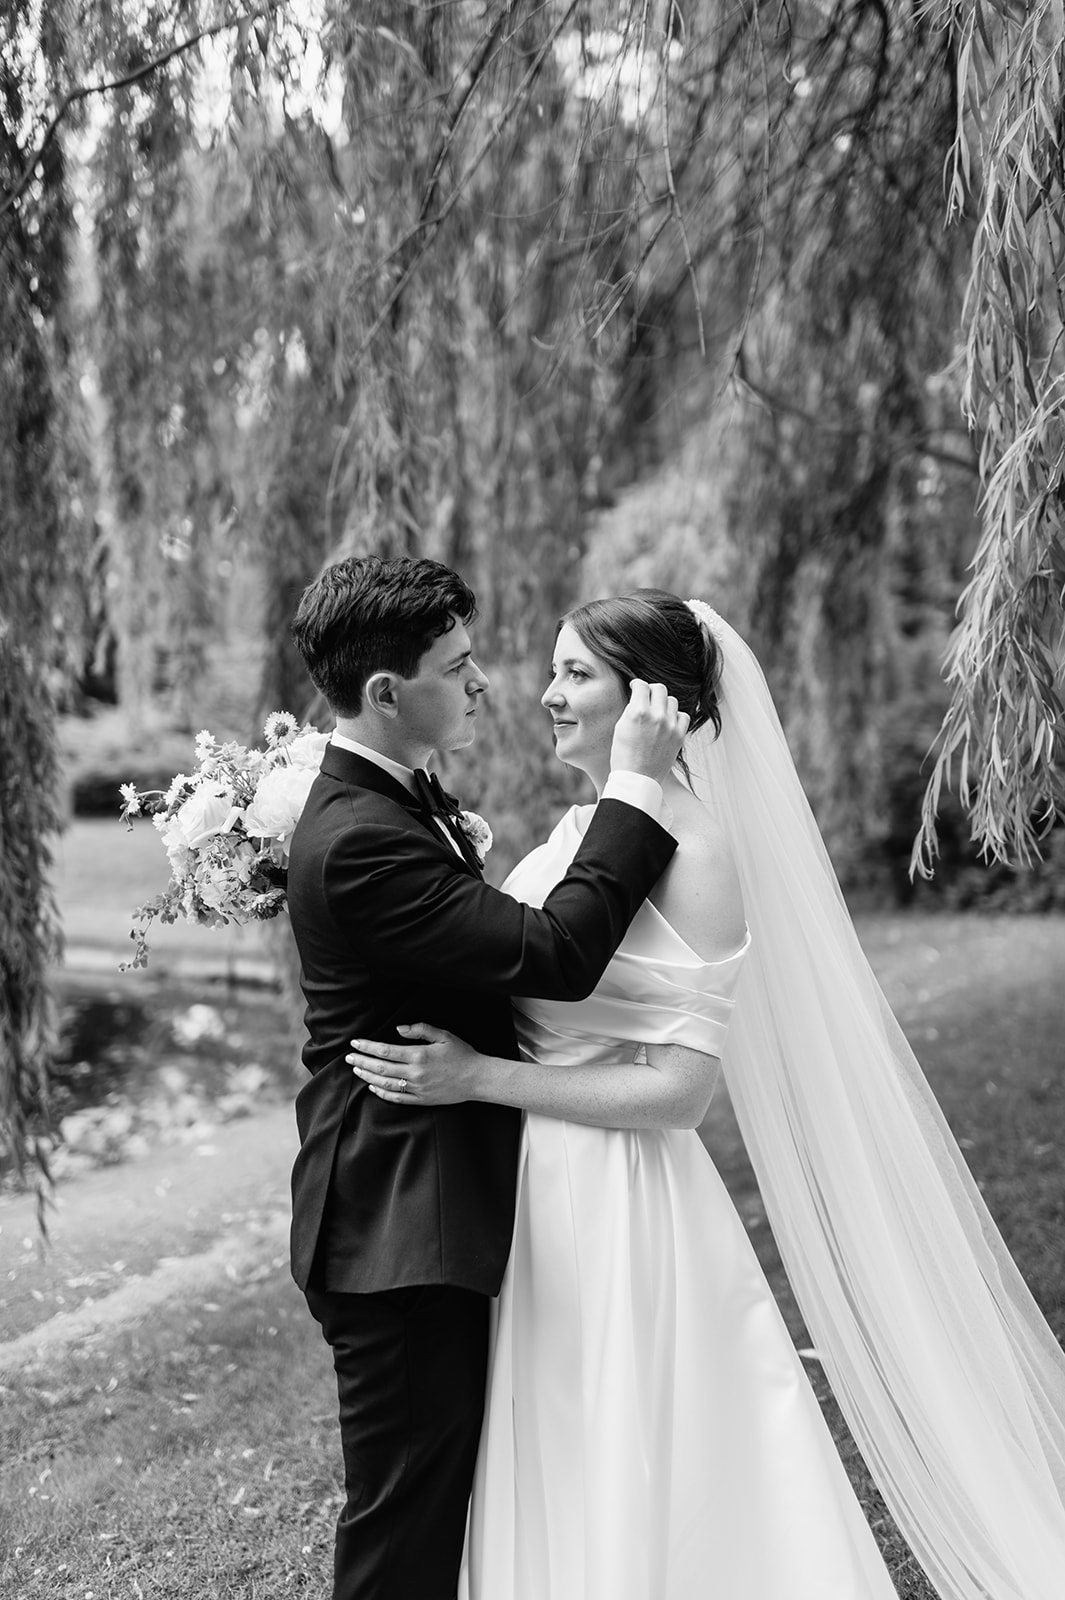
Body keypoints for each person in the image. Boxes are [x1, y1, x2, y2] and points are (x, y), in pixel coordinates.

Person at [349, 588, 1065, 1600]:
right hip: (537, 1188)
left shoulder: (696, 854)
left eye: (575, 675)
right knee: (557, 1430)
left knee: (631, 1446)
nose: (545, 694)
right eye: (555, 670)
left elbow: (681, 1092)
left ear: (653, 700)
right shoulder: (590, 824)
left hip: (621, 1201)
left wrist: (475, 1078)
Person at [285, 557, 688, 1600]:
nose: (482, 685)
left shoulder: (393, 798)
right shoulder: (365, 839)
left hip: (418, 1207)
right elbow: (555, 953)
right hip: (393, 1225)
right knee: (403, 1527)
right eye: (458, 666)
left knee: (429, 1504)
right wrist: (637, 785)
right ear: (385, 692)